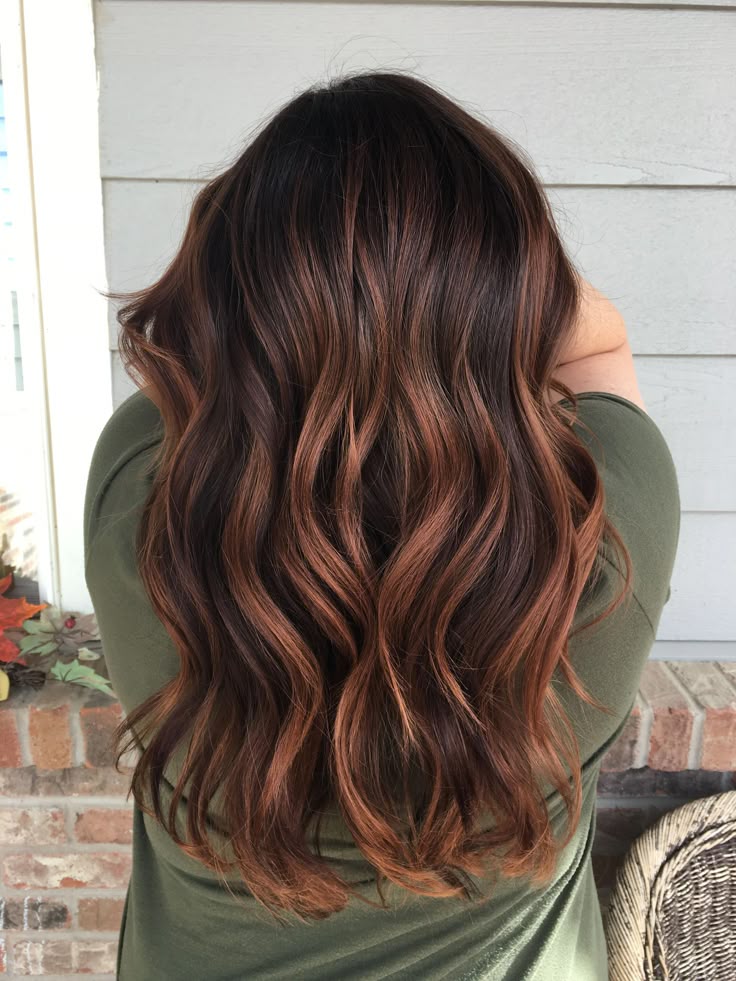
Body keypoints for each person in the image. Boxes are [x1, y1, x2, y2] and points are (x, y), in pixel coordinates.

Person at [83, 70, 680, 980]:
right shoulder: (607, 531)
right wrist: (471, 279)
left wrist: (289, 291)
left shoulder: (138, 503)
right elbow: (596, 340)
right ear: (511, 295)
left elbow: (193, 370)